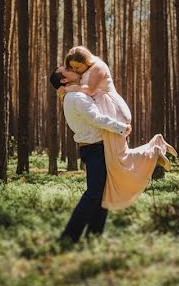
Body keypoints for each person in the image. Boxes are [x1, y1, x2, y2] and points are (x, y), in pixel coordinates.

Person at [61, 45, 177, 211]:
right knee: (116, 160)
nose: (75, 70)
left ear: (86, 61)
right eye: (72, 67)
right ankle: (154, 147)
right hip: (107, 113)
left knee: (118, 159)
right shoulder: (85, 72)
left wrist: (69, 88)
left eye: (77, 66)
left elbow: (91, 90)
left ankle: (154, 150)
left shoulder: (98, 66)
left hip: (114, 111)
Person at [49, 66, 131, 245]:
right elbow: (96, 118)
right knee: (94, 194)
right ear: (64, 80)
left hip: (96, 148)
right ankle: (68, 238)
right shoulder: (77, 97)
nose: (72, 69)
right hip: (95, 149)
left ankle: (93, 236)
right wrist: (122, 127)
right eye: (68, 69)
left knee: (101, 194)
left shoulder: (77, 93)